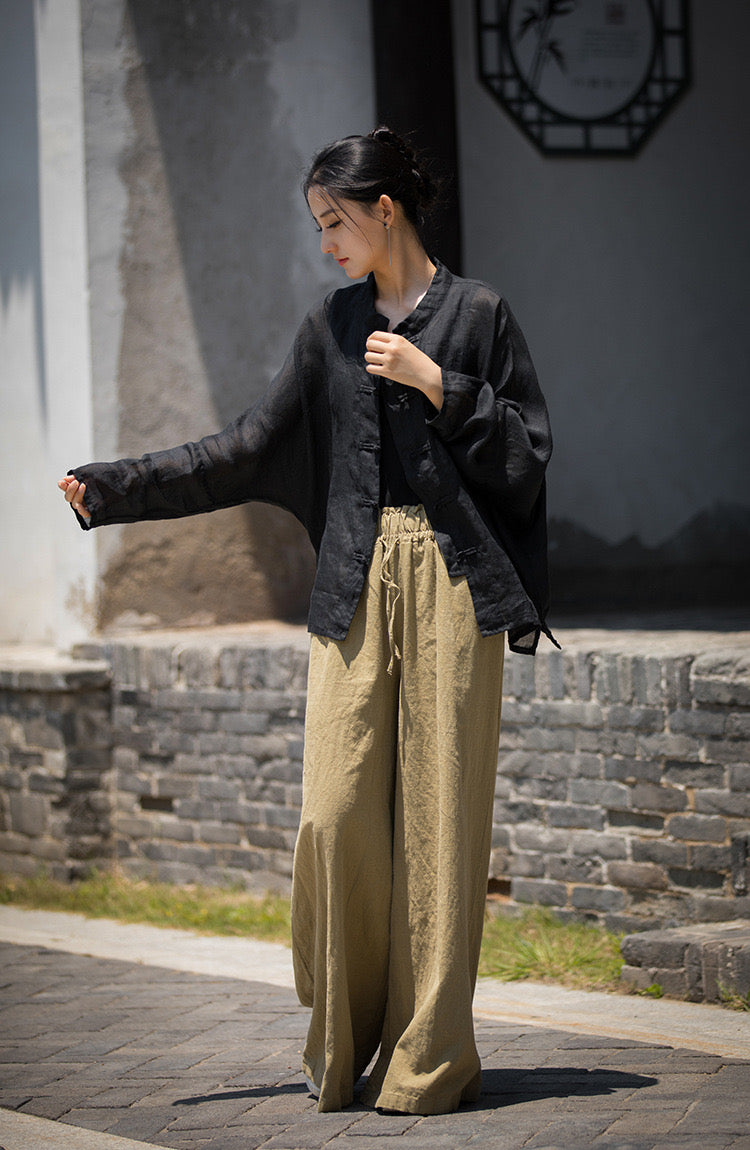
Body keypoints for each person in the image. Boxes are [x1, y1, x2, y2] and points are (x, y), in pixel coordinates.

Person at [59, 127, 554, 1116]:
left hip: (453, 583)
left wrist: (436, 383)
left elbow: (527, 457)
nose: (325, 242)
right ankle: (342, 1042)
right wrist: (116, 486)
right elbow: (247, 447)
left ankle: (426, 1060)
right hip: (354, 583)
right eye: (318, 225)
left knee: (442, 827)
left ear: (385, 211)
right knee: (333, 812)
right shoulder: (329, 326)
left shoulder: (479, 315)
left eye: (334, 222)